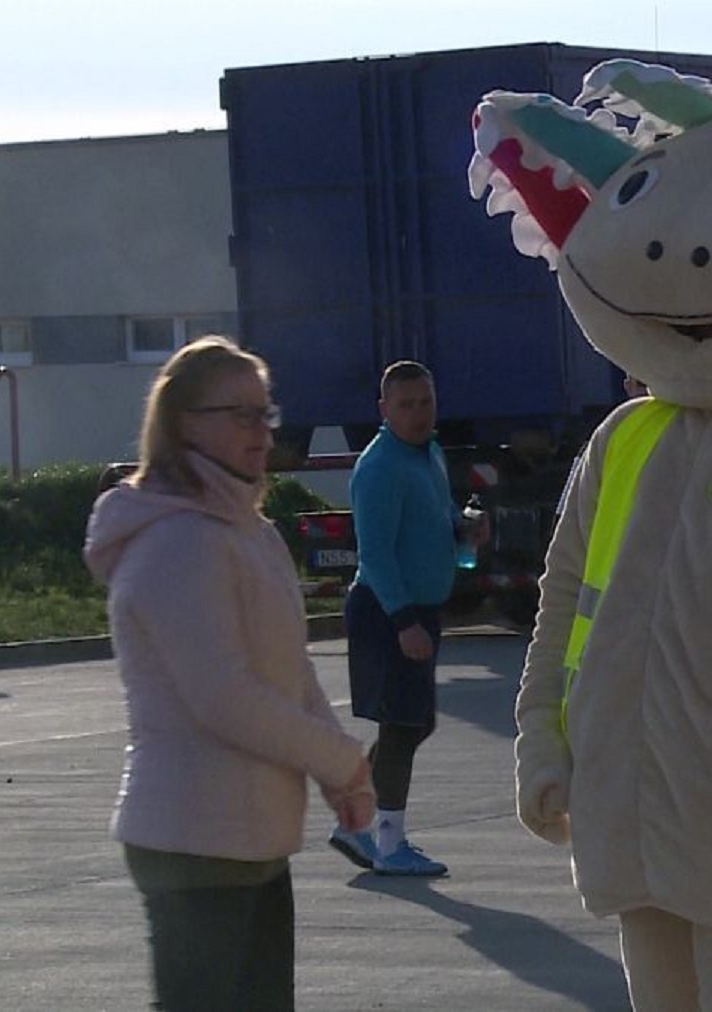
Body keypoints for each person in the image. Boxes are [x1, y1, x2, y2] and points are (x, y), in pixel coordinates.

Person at [84, 336, 375, 1009]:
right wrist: (339, 761)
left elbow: (290, 672)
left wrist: (342, 777)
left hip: (251, 836)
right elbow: (225, 697)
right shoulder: (176, 541)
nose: (260, 430)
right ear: (185, 422)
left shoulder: (248, 530)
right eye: (239, 413)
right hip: (193, 837)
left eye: (265, 412)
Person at [330, 361, 482, 877]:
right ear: (383, 410)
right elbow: (374, 553)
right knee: (402, 723)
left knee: (414, 722)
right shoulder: (380, 467)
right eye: (406, 405)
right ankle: (388, 842)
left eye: (426, 402)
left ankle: (355, 822)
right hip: (387, 611)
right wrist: (402, 622)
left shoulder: (428, 454)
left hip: (419, 609)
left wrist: (465, 528)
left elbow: (438, 518)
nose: (419, 414)